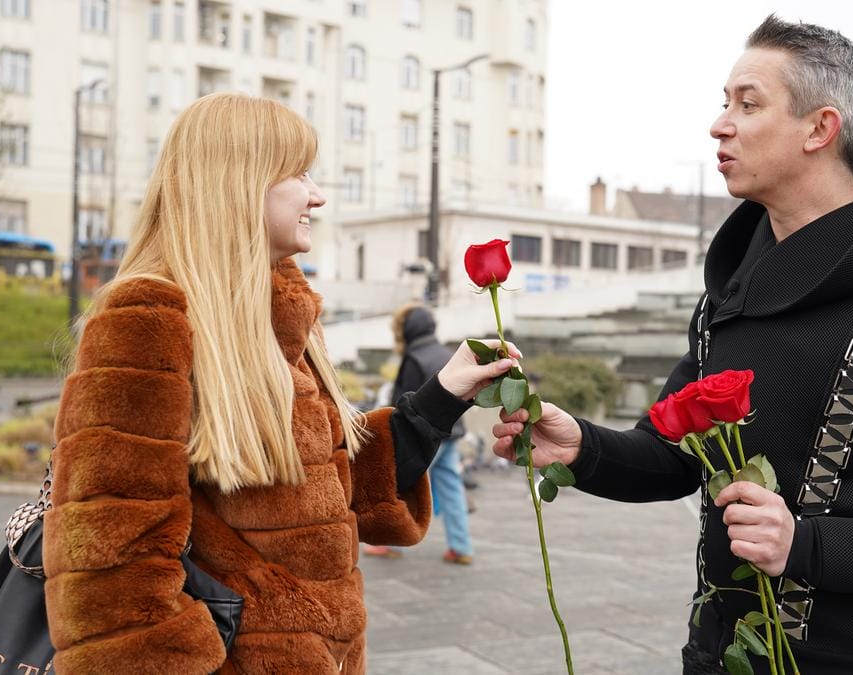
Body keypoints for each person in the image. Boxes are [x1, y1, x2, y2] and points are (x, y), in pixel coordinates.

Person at [493, 15, 853, 674]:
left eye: (748, 104)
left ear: (821, 128)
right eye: (724, 101)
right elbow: (671, 457)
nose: (719, 124)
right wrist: (582, 445)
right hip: (713, 656)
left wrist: (808, 545)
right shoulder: (730, 295)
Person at [43, 93, 518, 674]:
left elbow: (328, 497)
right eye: (297, 173)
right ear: (237, 182)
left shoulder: (280, 319)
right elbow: (111, 568)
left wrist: (441, 398)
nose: (316, 195)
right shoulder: (149, 318)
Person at [364, 304, 475, 564]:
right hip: (452, 431)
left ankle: (390, 542)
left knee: (399, 485)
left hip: (427, 437)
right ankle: (461, 547)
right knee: (451, 489)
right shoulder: (446, 354)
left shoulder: (415, 358)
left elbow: (406, 403)